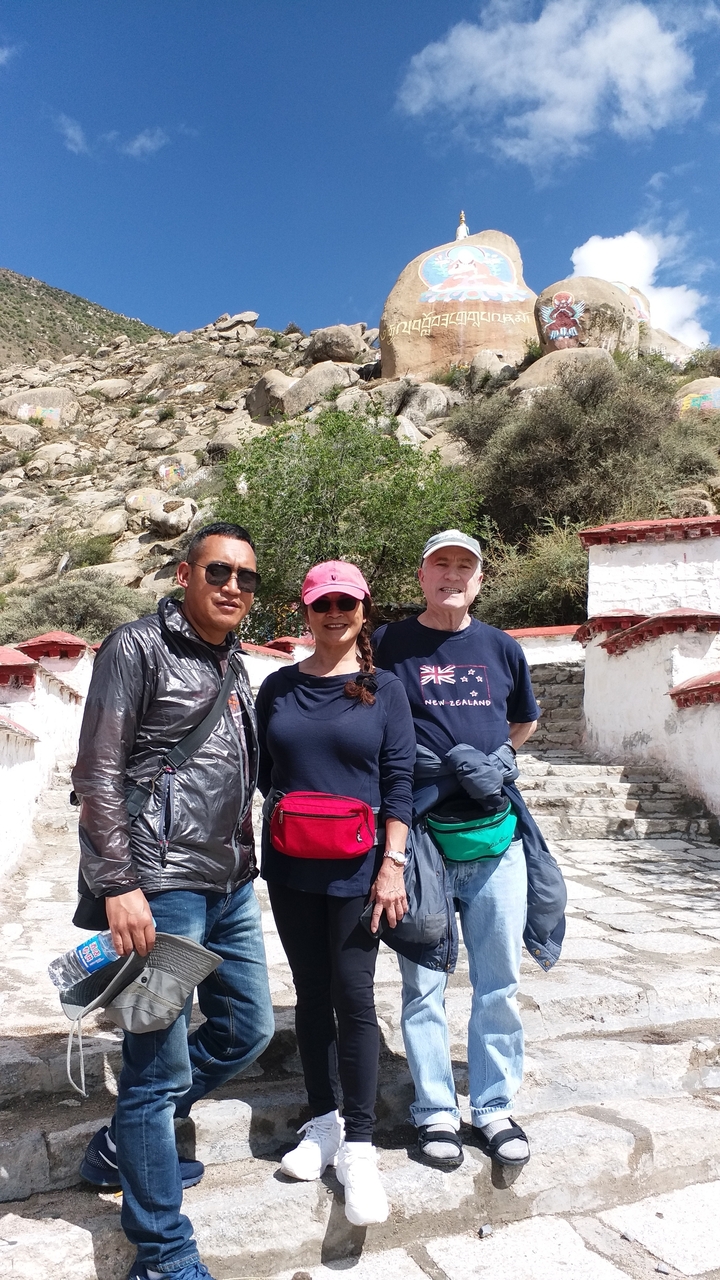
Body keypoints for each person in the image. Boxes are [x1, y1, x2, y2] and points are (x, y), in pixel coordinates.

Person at [73, 521, 275, 1280]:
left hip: (227, 883)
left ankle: (125, 1144)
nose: (232, 587)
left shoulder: (235, 662)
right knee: (154, 1071)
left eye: (246, 579)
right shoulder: (137, 646)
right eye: (219, 572)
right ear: (186, 573)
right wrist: (120, 884)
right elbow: (97, 773)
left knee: (248, 1029)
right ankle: (162, 1253)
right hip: (160, 882)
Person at [373, 530, 565, 1173]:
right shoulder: (390, 644)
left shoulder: (501, 647)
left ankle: (492, 1106)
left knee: (498, 984)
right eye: (440, 565)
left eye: (465, 566)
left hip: (494, 834)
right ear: (422, 577)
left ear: (479, 580)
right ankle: (433, 1112)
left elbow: (525, 719)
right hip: (421, 837)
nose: (452, 575)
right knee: (422, 985)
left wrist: (499, 759)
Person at [255, 560, 415, 1226]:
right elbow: (257, 773)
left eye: (347, 604)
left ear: (364, 611)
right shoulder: (278, 688)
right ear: (306, 611)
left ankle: (359, 1145)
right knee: (311, 995)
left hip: (359, 874)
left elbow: (400, 783)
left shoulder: (387, 690)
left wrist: (394, 864)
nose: (335, 615)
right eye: (323, 605)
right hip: (292, 869)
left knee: (354, 997)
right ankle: (321, 1122)